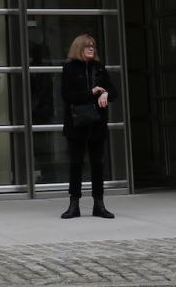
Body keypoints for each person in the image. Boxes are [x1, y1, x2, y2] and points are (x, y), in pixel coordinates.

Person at [60, 33, 117, 219]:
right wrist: (91, 92)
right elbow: (67, 96)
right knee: (76, 163)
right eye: (87, 46)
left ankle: (98, 204)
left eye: (93, 46)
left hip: (97, 124)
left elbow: (113, 90)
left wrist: (105, 94)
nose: (91, 49)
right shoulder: (69, 68)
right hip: (77, 124)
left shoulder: (99, 67)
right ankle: (74, 204)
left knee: (98, 164)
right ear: (79, 48)